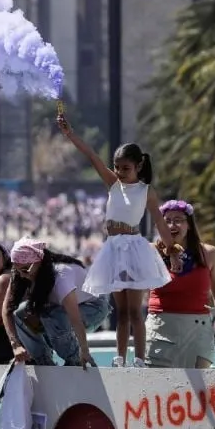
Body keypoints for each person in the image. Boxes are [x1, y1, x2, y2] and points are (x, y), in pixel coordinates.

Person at [58, 113, 173, 367]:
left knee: (134, 311)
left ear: (138, 166)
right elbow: (92, 156)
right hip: (113, 249)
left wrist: (173, 248)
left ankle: (140, 358)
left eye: (126, 168)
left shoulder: (146, 191)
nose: (120, 172)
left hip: (134, 248)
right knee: (121, 313)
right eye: (117, 167)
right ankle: (120, 357)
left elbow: (160, 223)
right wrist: (70, 134)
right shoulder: (113, 184)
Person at [145, 200, 215, 368]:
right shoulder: (151, 252)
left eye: (178, 220)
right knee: (160, 390)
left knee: (196, 390)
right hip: (161, 328)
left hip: (198, 330)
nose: (172, 225)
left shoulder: (209, 254)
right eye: (167, 220)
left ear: (189, 225)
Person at [4, 237, 111, 367]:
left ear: (39, 262)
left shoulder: (61, 276)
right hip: (61, 311)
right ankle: (43, 360)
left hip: (94, 307)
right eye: (17, 269)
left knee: (51, 315)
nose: (22, 275)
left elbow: (75, 318)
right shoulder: (21, 274)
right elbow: (7, 311)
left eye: (25, 269)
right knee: (19, 314)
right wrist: (15, 344)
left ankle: (73, 360)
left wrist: (84, 351)